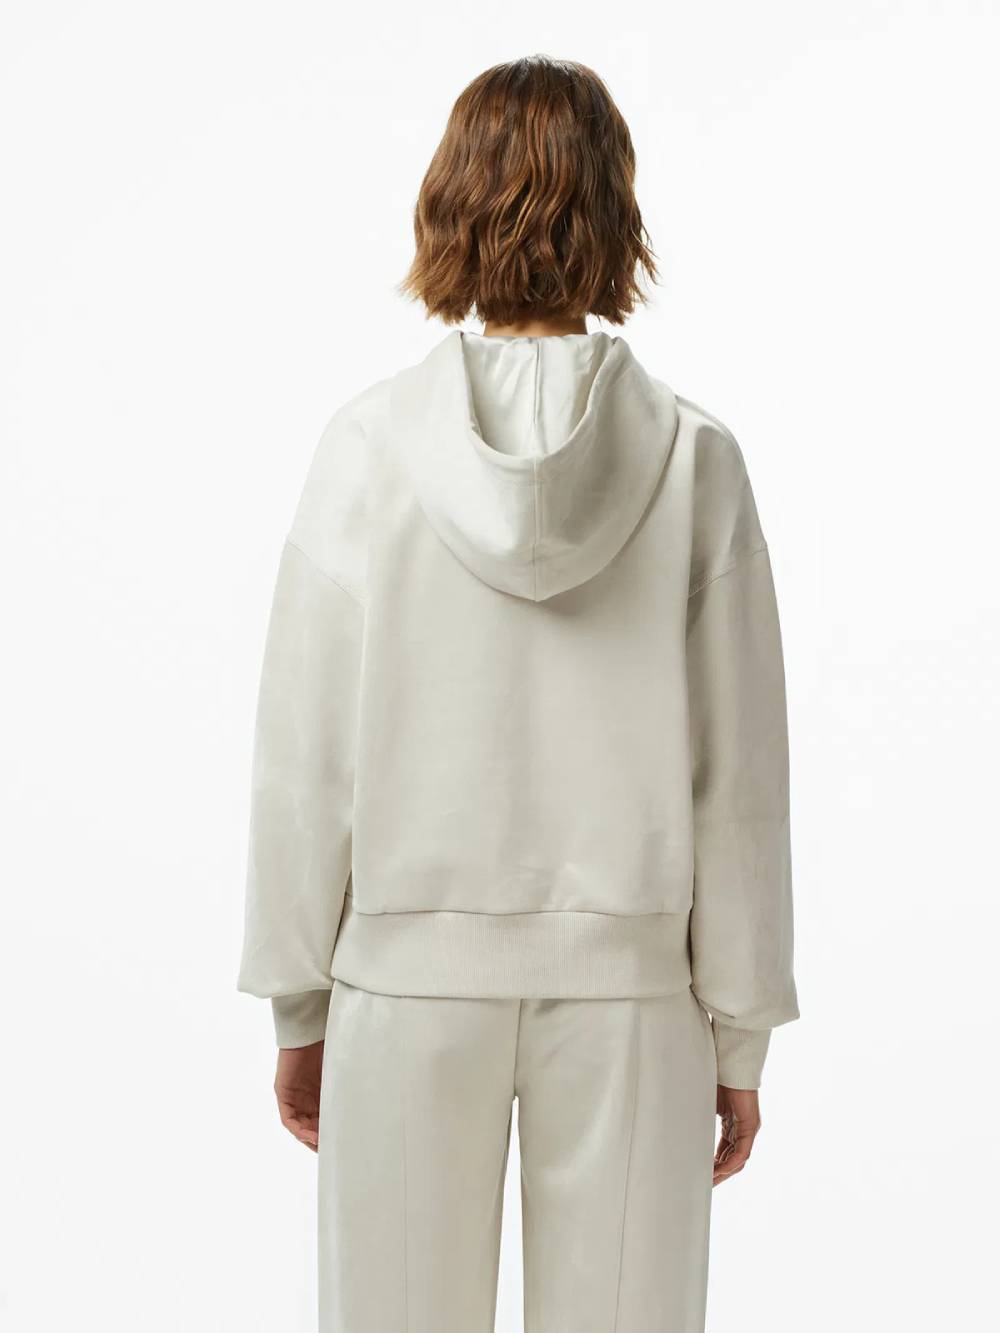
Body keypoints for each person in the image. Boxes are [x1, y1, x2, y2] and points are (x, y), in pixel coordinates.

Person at [238, 54, 798, 1333]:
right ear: (616, 212)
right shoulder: (693, 460)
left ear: (448, 204)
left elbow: (303, 757)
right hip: (633, 991)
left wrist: (299, 998)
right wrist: (740, 1028)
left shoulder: (368, 448)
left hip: (403, 985)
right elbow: (738, 778)